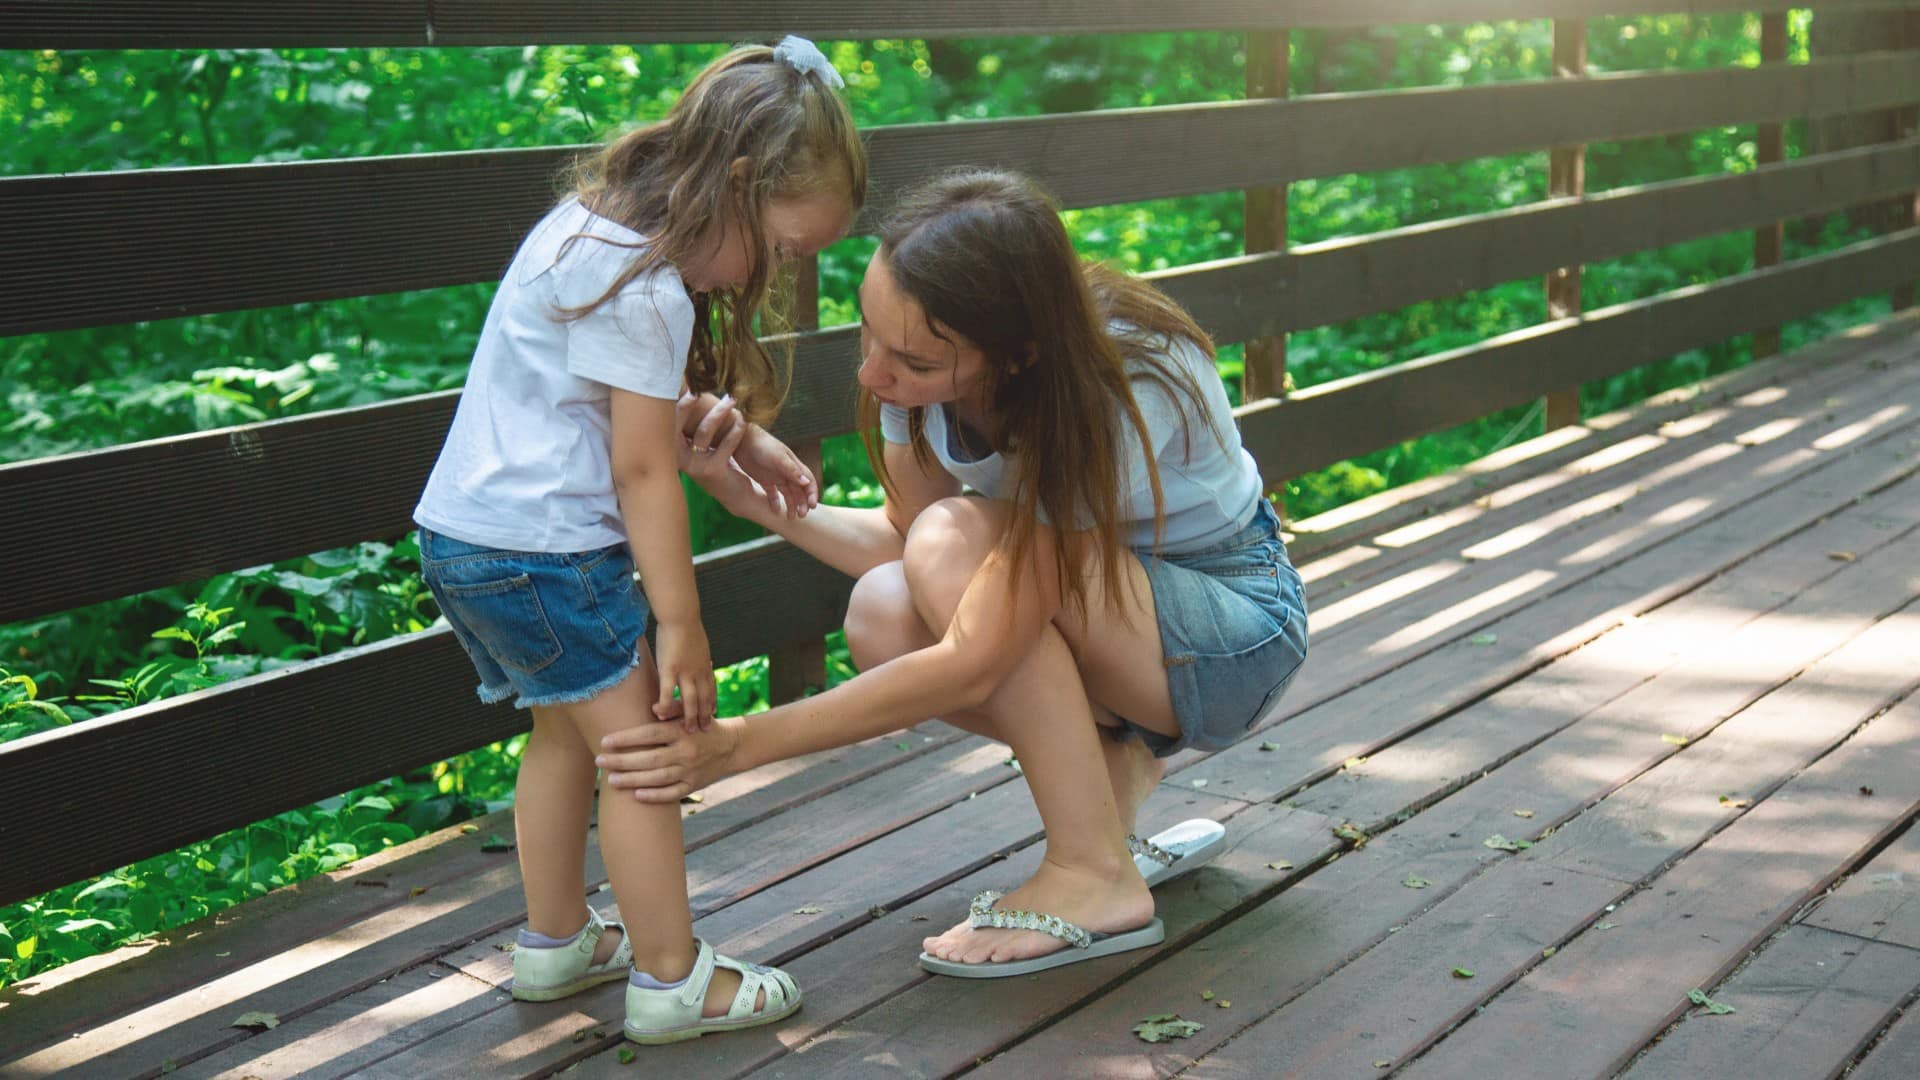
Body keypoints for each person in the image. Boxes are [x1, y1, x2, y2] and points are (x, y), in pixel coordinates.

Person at [595, 168, 1308, 978]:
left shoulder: (1122, 383)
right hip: (1122, 625)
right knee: (882, 611)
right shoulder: (924, 356)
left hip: (1232, 630)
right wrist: (753, 499)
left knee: (945, 554)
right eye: (867, 331)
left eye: (912, 361)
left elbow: (979, 640)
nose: (872, 374)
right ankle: (1111, 775)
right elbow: (917, 548)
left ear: (1019, 354)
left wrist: (740, 745)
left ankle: (1093, 874)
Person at [411, 37, 865, 1042]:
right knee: (644, 756)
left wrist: (743, 436)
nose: (785, 272)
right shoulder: (648, 287)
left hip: (467, 538)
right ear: (738, 187)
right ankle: (670, 979)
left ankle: (556, 938)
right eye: (787, 249)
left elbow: (621, 410)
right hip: (551, 555)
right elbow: (642, 467)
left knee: (561, 732)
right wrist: (681, 621)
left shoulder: (589, 233)